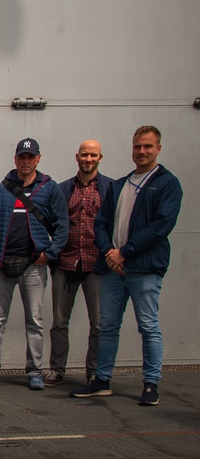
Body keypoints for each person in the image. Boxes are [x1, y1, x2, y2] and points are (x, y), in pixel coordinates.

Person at [71, 126, 183, 406]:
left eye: (147, 147)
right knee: (107, 326)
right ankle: (102, 380)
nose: (141, 152)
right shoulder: (120, 184)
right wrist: (110, 252)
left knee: (148, 326)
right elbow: (100, 222)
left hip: (144, 268)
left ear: (158, 148)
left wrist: (126, 252)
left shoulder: (167, 183)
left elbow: (161, 226)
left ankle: (150, 384)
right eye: (137, 147)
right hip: (113, 269)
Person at [0, 138, 68, 391]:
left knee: (35, 321)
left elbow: (62, 226)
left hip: (33, 266)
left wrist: (50, 253)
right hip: (1, 266)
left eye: (30, 157)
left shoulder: (50, 189)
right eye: (22, 157)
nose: (26, 161)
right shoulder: (0, 190)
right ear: (15, 159)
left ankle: (35, 372)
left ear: (38, 159)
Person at [46, 140, 113, 386]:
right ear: (77, 157)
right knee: (59, 322)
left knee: (98, 322)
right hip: (66, 262)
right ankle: (57, 369)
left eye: (93, 155)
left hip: (96, 264)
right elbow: (52, 224)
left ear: (100, 158)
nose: (88, 159)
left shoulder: (110, 188)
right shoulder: (63, 189)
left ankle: (94, 371)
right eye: (84, 154)